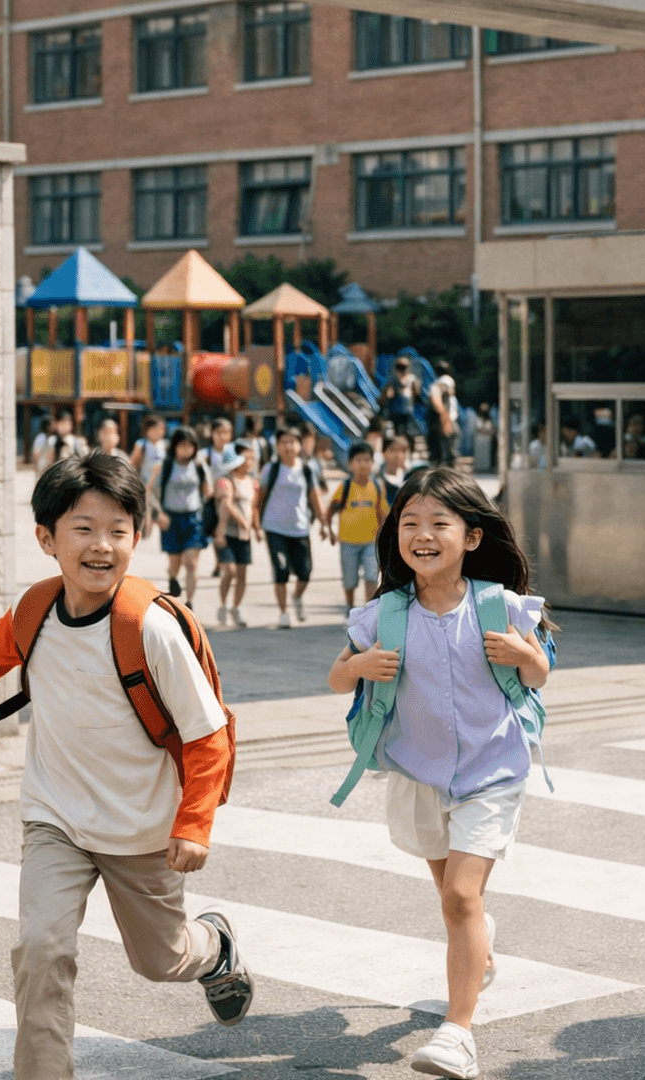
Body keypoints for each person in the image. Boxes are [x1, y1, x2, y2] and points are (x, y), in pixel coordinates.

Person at [0, 452, 254, 1080]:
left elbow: (207, 737)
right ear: (46, 539)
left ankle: (214, 946)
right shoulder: (36, 611)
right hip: (55, 817)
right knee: (41, 950)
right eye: (83, 528)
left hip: (141, 829)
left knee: (161, 960)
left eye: (118, 530)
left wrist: (194, 825)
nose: (101, 545)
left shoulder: (150, 628)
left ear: (137, 539)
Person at [327, 467, 552, 1080]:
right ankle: (477, 942)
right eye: (410, 524)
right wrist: (362, 665)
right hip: (418, 773)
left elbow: (539, 676)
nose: (422, 535)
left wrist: (524, 655)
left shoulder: (497, 604)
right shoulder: (384, 614)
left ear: (472, 537)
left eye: (439, 524)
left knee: (458, 895)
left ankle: (458, 1032)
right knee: (456, 900)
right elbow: (336, 676)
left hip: (493, 771)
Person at [256, 425, 329, 629]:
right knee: (280, 571)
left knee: (305, 573)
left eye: (292, 442)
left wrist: (324, 523)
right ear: (277, 446)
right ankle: (283, 613)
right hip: (274, 528)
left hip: (300, 528)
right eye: (283, 442)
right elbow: (260, 498)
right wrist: (256, 523)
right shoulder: (271, 469)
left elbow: (315, 497)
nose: (288, 446)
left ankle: (297, 596)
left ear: (299, 445)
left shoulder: (306, 469)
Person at [149, 426, 211, 605]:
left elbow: (207, 490)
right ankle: (172, 577)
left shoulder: (199, 465)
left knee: (190, 563)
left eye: (190, 445)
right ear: (175, 446)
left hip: (193, 519)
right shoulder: (165, 466)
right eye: (182, 445)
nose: (187, 449)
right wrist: (157, 515)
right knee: (175, 561)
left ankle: (189, 602)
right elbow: (151, 492)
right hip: (171, 518)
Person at [330, 441, 384, 609]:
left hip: (370, 541)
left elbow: (381, 513)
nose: (363, 464)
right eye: (359, 460)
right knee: (350, 579)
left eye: (367, 460)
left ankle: (369, 610)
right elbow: (330, 511)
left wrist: (385, 534)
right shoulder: (344, 487)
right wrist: (330, 531)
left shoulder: (376, 486)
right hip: (348, 542)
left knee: (371, 577)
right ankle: (350, 607)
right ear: (350, 464)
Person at [214, 440, 256, 629]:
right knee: (229, 572)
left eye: (253, 458)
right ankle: (223, 604)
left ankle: (235, 607)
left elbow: (253, 507)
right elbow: (227, 504)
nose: (251, 462)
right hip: (227, 533)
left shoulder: (252, 482)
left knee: (242, 575)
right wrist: (240, 521)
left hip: (244, 535)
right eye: (247, 458)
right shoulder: (225, 480)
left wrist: (256, 526)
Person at [200, 418, 238, 578]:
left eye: (227, 432)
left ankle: (229, 560)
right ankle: (220, 561)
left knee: (231, 530)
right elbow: (201, 475)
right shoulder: (205, 454)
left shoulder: (236, 453)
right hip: (212, 498)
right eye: (220, 432)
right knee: (216, 531)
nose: (223, 436)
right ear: (213, 433)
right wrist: (206, 489)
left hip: (232, 497)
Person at [131, 415, 168, 534]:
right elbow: (133, 464)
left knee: (155, 511)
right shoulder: (141, 444)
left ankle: (148, 528)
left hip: (161, 484)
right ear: (147, 430)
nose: (159, 432)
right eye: (155, 429)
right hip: (145, 484)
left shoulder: (165, 445)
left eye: (161, 429)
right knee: (152, 510)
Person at [428, 360, 461, 467]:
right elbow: (436, 398)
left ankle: (443, 467)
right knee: (450, 442)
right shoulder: (446, 381)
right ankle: (449, 468)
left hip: (442, 417)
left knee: (443, 445)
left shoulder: (437, 382)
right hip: (444, 417)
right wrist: (444, 416)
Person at [382, 355, 421, 440]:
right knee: (396, 431)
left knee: (407, 431)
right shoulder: (393, 379)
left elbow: (416, 392)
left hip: (405, 409)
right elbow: (388, 394)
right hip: (396, 409)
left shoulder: (410, 378)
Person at [380, 432, 410, 506]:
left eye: (402, 451)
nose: (398, 455)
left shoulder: (411, 477)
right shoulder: (377, 480)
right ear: (383, 453)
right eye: (393, 450)